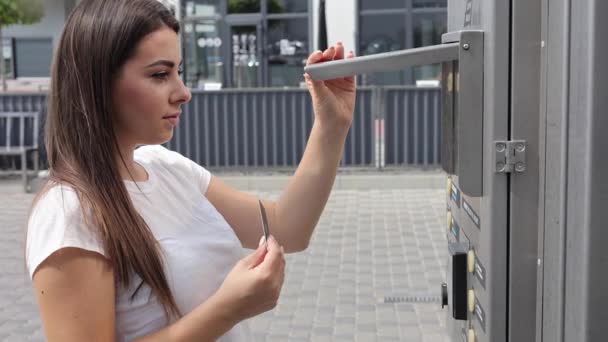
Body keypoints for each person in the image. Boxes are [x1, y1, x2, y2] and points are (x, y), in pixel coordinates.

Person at [25, 0, 356, 341]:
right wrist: (227, 308)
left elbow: (286, 228)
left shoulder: (167, 167)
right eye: (159, 75)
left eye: (179, 72)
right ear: (97, 83)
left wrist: (332, 124)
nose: (183, 93)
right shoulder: (69, 213)